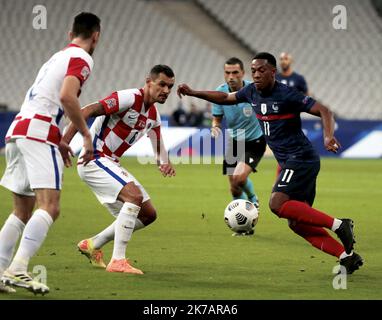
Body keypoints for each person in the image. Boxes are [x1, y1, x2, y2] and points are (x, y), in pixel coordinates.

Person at [177, 52, 363, 274]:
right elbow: (225, 98)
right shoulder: (251, 92)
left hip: (301, 158)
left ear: (273, 72)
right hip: (286, 162)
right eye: (253, 70)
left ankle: (340, 225)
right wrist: (193, 92)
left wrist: (327, 136)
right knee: (296, 223)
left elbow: (324, 110)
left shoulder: (287, 95)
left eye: (261, 70)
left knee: (277, 204)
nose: (256, 74)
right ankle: (346, 256)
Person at [0, 12, 101, 294]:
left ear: (70, 34)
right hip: (38, 132)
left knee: (21, 210)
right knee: (50, 206)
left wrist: (58, 138)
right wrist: (85, 134)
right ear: (96, 36)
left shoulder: (57, 57)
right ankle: (18, 268)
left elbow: (44, 98)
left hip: (19, 129)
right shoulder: (82, 58)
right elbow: (68, 97)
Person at [61, 65, 176, 274]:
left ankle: (93, 244)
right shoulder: (129, 98)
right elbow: (86, 110)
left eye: (170, 87)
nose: (166, 91)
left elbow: (158, 144)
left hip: (111, 162)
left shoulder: (153, 116)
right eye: (162, 85)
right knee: (134, 196)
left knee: (148, 214)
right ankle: (118, 261)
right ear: (148, 82)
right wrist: (64, 141)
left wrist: (164, 162)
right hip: (94, 158)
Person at [211, 57, 265, 216]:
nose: (231, 76)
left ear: (243, 73)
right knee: (234, 187)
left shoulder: (254, 89)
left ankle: (253, 201)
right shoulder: (219, 93)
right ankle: (244, 224)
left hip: (255, 141)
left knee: (239, 179)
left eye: (235, 72)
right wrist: (215, 126)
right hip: (235, 140)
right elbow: (217, 117)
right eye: (227, 73)